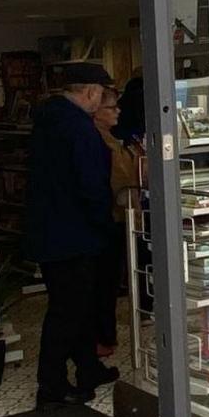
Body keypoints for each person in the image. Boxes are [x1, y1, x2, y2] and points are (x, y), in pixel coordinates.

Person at [24, 62, 123, 406]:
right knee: (68, 311)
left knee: (76, 306)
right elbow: (91, 185)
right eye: (102, 94)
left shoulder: (47, 121)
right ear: (90, 92)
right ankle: (50, 384)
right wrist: (104, 224)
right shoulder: (79, 129)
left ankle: (87, 366)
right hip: (76, 235)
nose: (102, 101)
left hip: (51, 231)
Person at [92, 86, 137, 356]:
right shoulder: (101, 143)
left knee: (110, 281)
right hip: (111, 217)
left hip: (119, 217)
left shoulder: (112, 139)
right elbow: (117, 182)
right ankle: (102, 338)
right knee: (104, 282)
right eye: (111, 107)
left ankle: (106, 336)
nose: (118, 111)